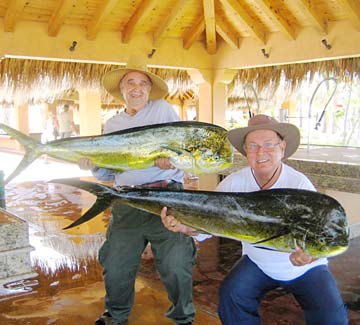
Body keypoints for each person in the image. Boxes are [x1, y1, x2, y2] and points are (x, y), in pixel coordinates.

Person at [161, 114, 348, 324]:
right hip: (258, 263)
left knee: (332, 317)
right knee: (231, 295)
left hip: (306, 269)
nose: (261, 152)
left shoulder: (299, 184)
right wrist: (186, 228)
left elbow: (325, 239)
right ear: (245, 152)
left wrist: (309, 257)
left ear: (282, 147)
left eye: (269, 144)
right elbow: (209, 227)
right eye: (253, 146)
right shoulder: (233, 184)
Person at [78, 56, 196, 325]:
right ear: (121, 89)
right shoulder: (112, 125)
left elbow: (183, 148)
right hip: (126, 200)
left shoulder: (163, 110)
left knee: (177, 264)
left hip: (167, 198)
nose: (136, 88)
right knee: (116, 265)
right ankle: (115, 316)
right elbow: (109, 173)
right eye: (130, 82)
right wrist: (93, 166)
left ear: (149, 89)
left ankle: (183, 318)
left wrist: (172, 162)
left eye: (142, 83)